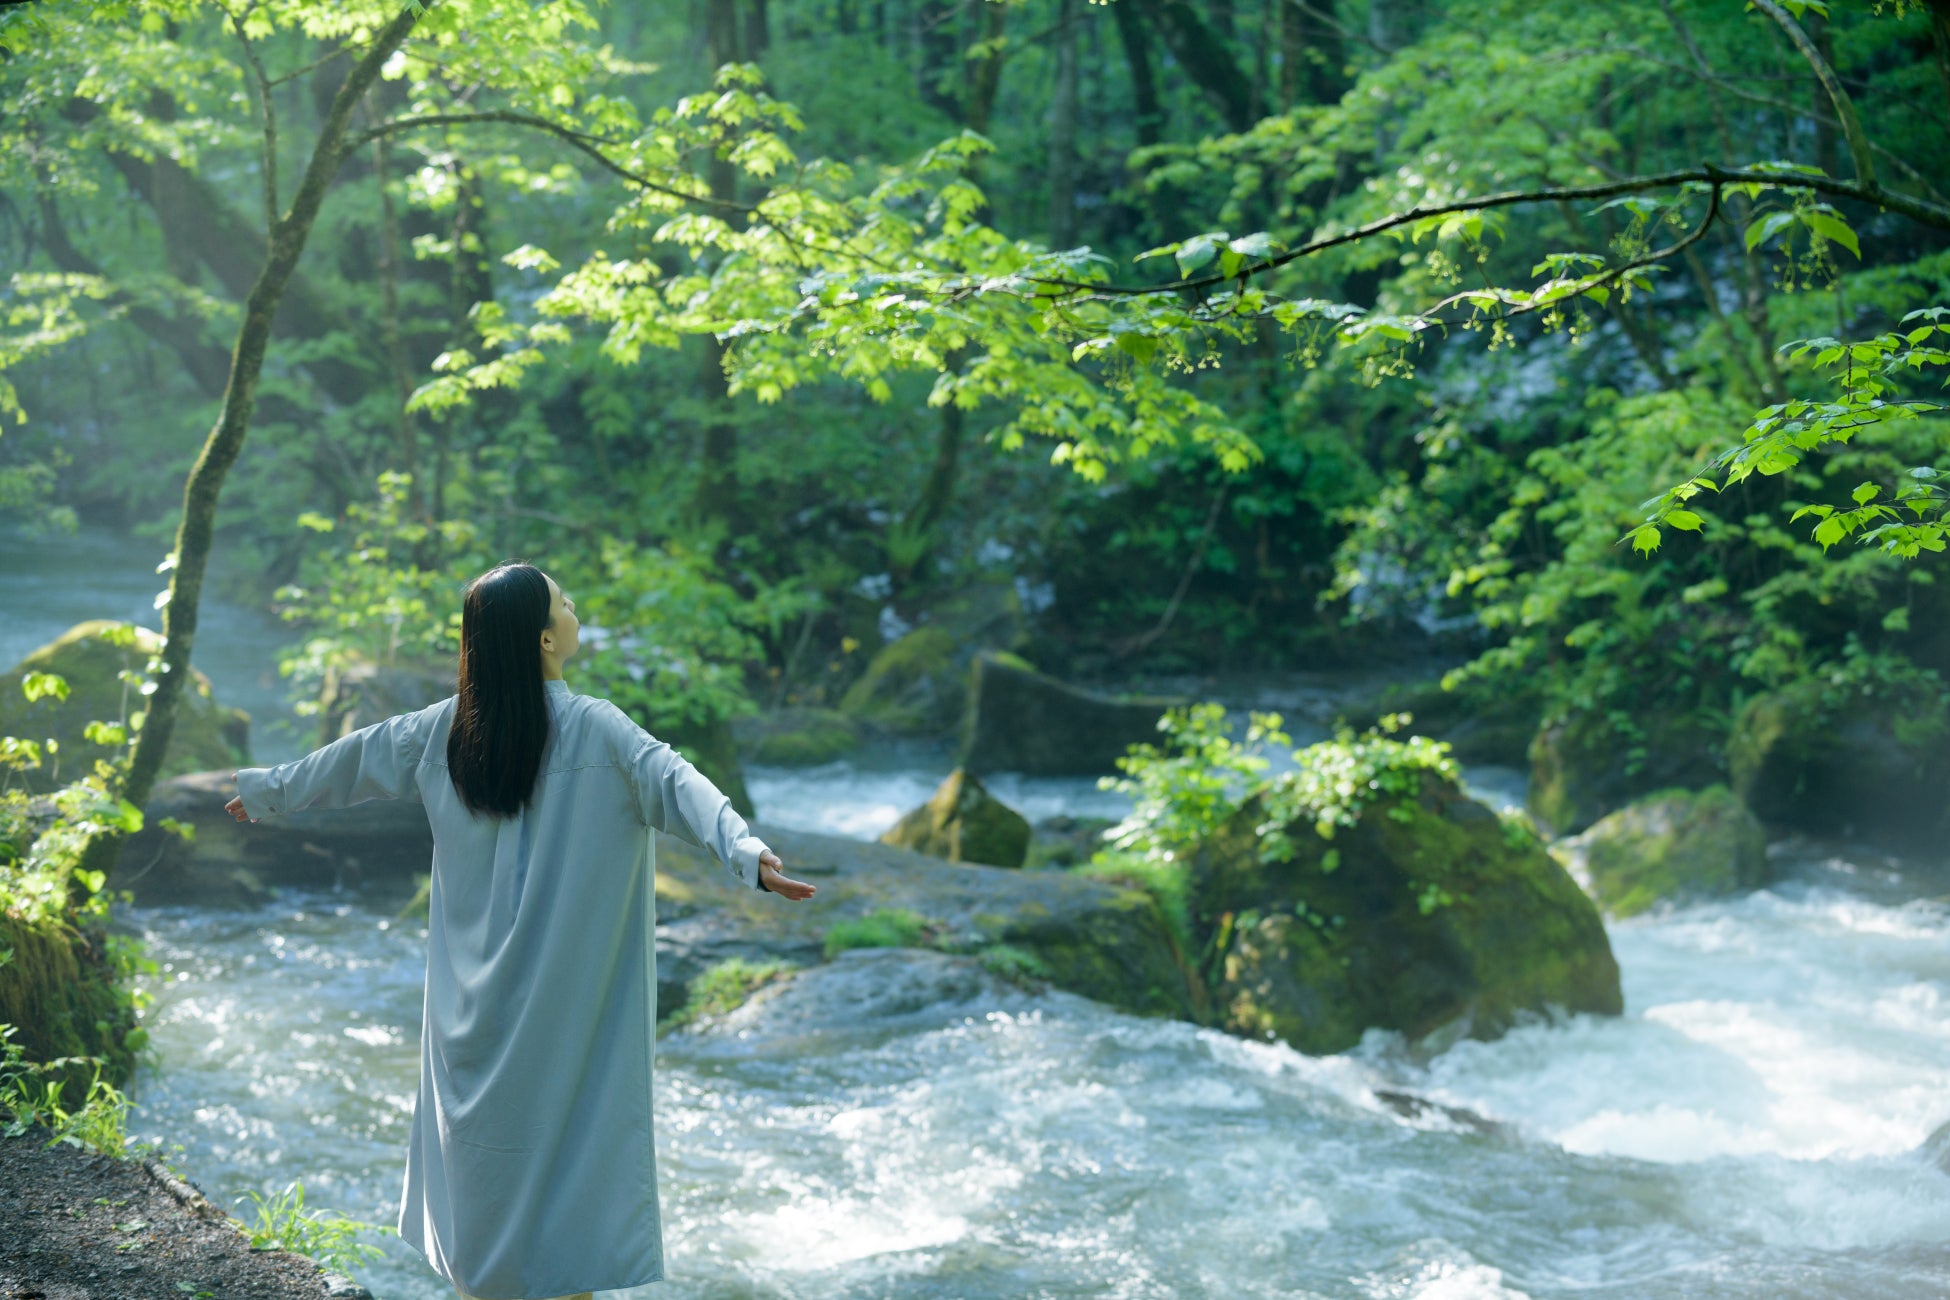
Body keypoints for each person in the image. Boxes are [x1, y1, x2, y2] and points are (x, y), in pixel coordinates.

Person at [223, 561, 815, 1300]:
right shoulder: (596, 728)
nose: (574, 608)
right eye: (565, 602)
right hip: (565, 1013)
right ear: (542, 638)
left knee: (486, 1199)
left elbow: (350, 761)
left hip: (471, 1010)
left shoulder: (444, 729)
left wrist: (267, 792)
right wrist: (746, 852)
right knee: (568, 1203)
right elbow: (676, 781)